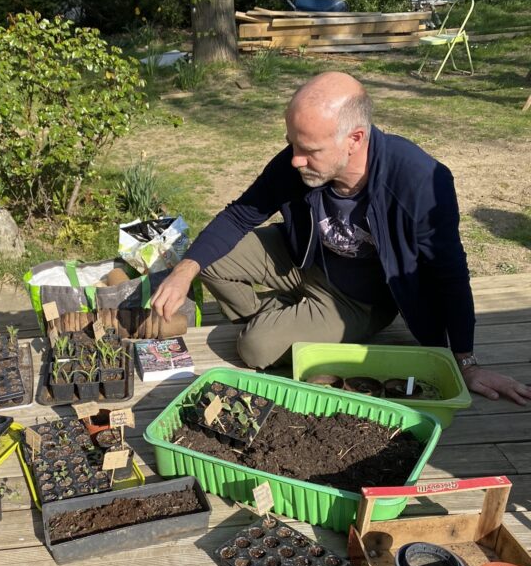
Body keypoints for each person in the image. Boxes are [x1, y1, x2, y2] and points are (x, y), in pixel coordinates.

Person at [152, 71, 531, 405]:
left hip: (356, 301)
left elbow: (450, 274)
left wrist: (466, 362)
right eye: (292, 144)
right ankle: (281, 317)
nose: (295, 159)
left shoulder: (419, 181)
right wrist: (184, 271)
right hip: (303, 258)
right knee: (204, 256)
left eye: (309, 150)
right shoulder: (297, 162)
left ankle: (284, 324)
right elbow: (239, 214)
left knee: (254, 347)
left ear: (355, 138)